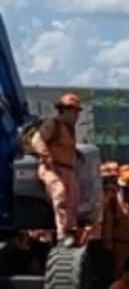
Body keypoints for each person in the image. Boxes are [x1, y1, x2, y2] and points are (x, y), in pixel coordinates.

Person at [30, 92, 83, 247]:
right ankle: (62, 234)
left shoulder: (70, 129)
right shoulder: (52, 124)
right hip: (52, 169)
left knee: (73, 199)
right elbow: (37, 139)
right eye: (74, 111)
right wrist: (46, 156)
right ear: (63, 110)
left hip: (68, 170)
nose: (76, 115)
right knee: (59, 193)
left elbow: (64, 146)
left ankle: (71, 230)